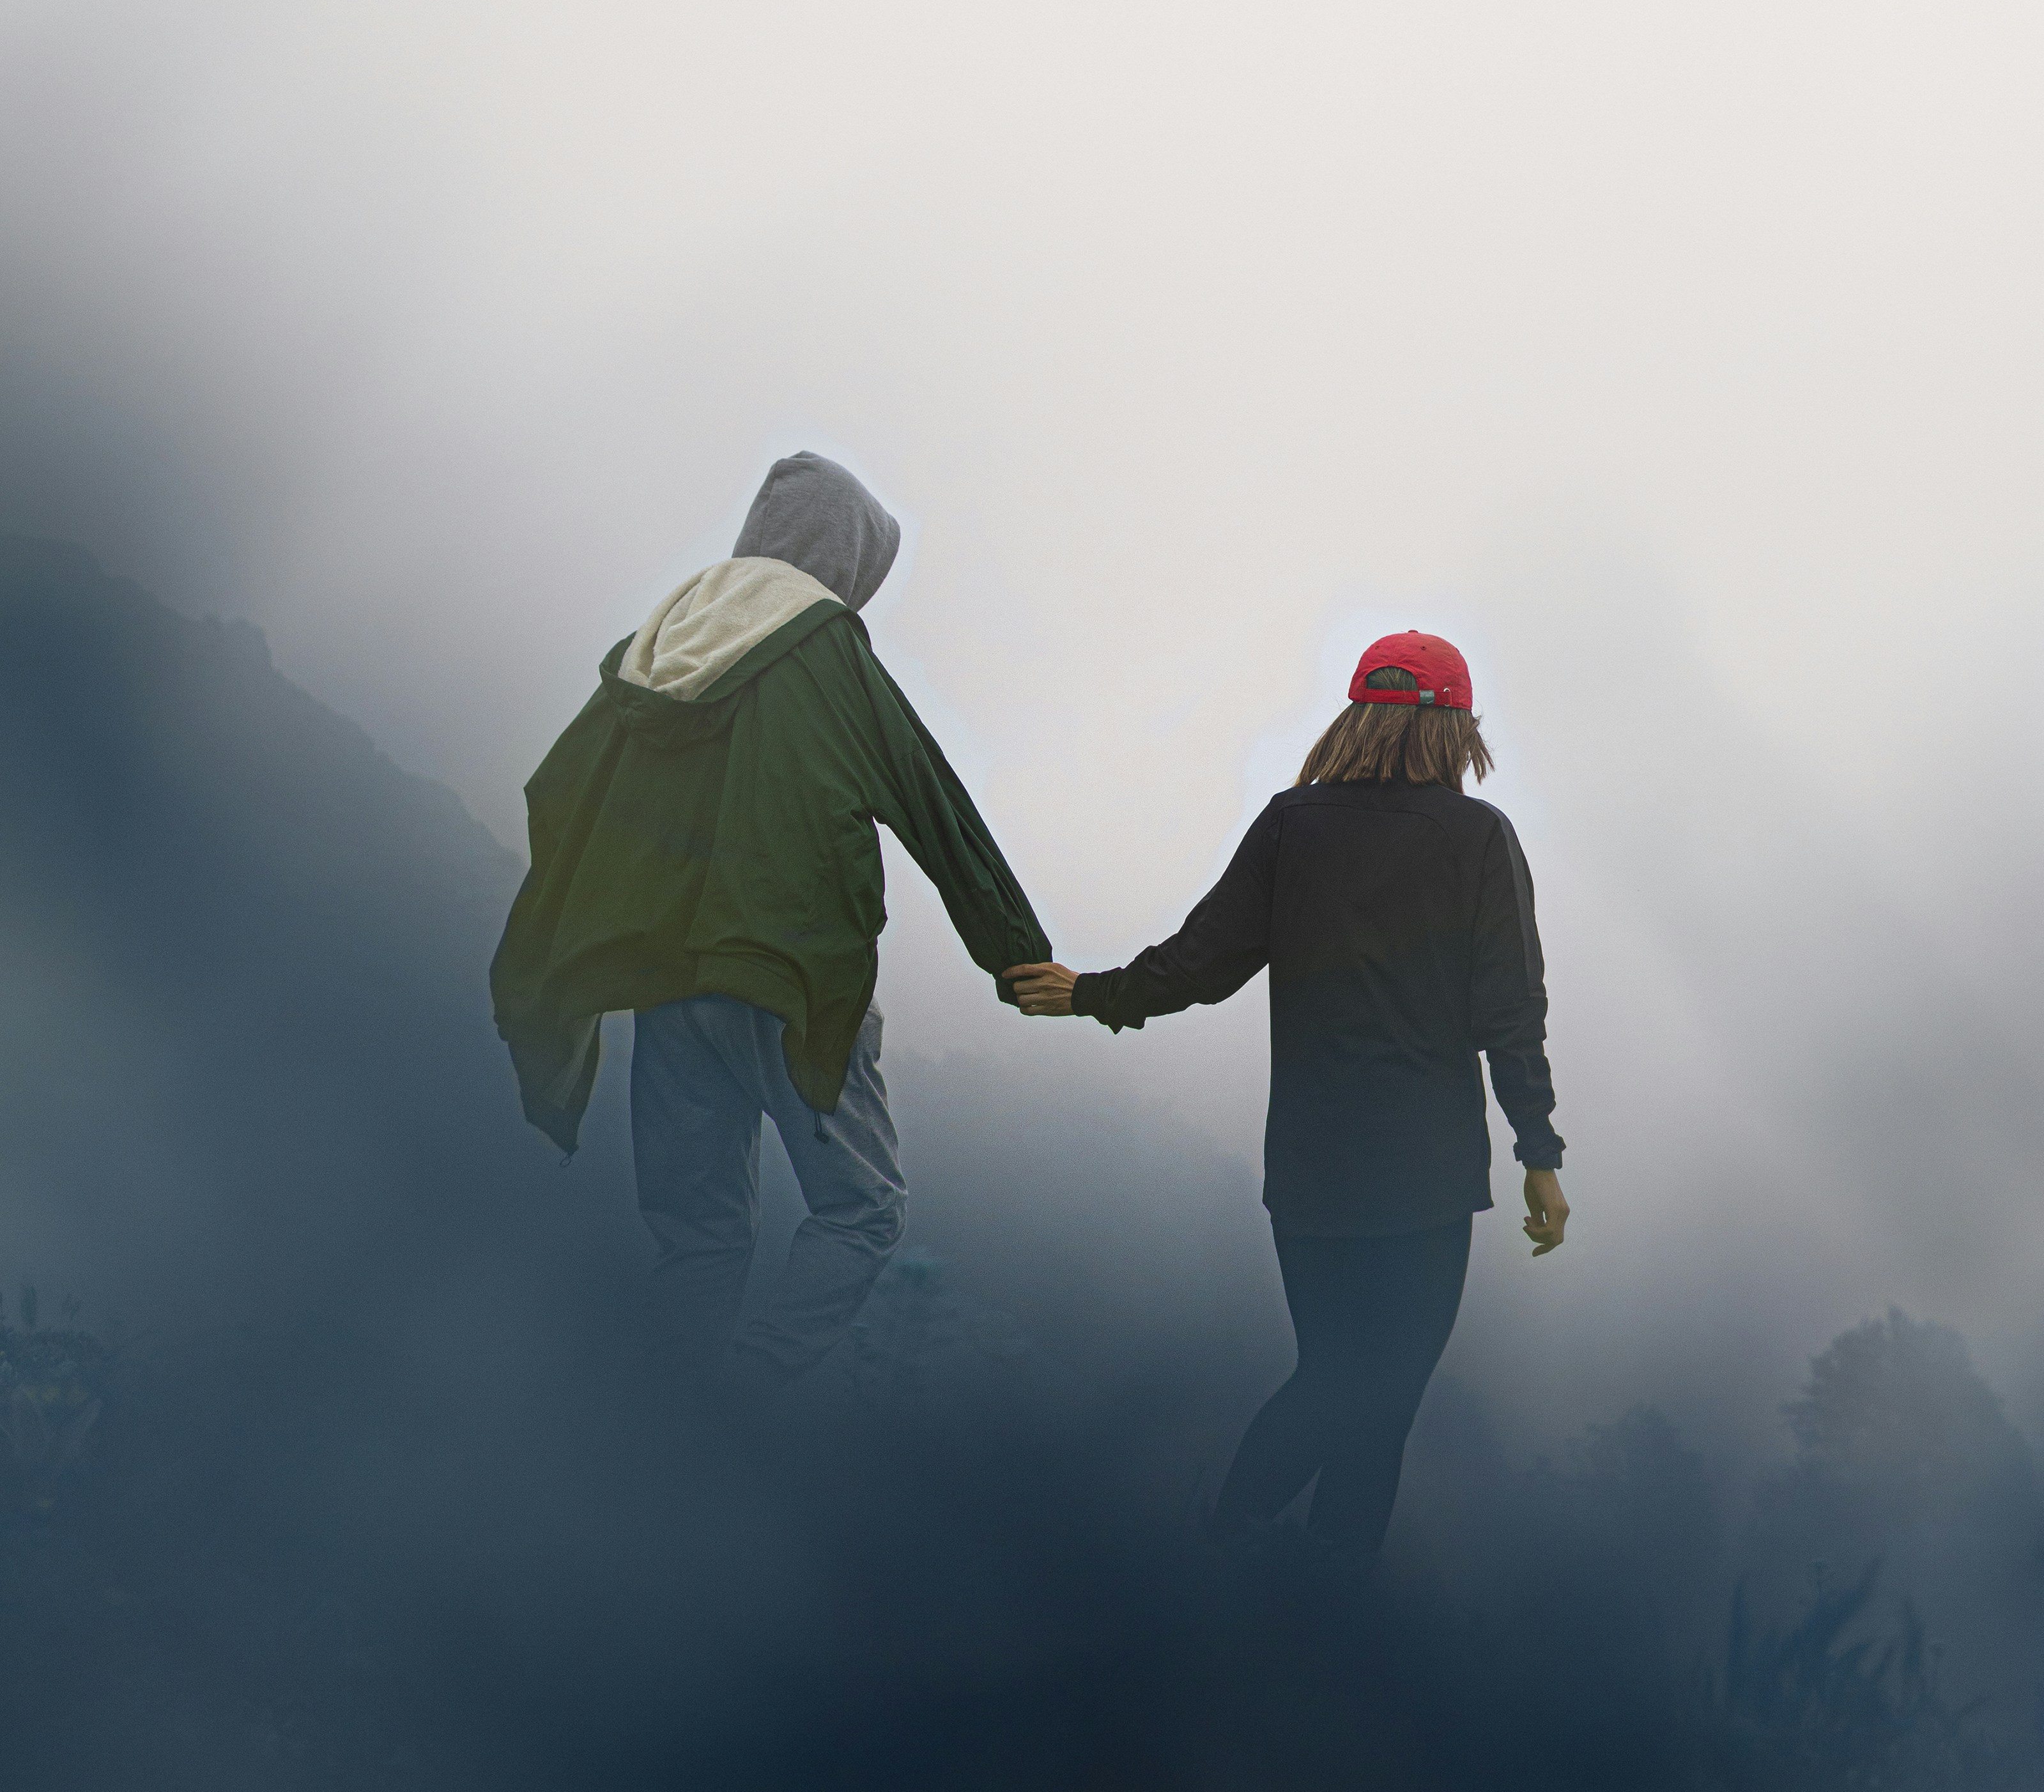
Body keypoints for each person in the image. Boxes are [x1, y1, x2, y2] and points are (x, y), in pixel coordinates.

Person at [1005, 631, 1567, 1563]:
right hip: (1424, 1176)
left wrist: (1093, 993)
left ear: (1360, 715)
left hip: (1309, 1168)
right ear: (1454, 727)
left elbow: (1201, 962)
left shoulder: (1290, 826)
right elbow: (1510, 1010)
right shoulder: (1478, 840)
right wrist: (1538, 1155)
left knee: (1335, 1375)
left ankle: (1233, 1563)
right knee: (1380, 1397)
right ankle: (1276, 1571)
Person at [491, 451, 1051, 1385]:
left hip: (664, 985)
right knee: (862, 1210)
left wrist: (559, 943)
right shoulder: (827, 649)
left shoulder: (656, 649)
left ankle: (675, 1430)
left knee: (698, 1237)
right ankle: (754, 1392)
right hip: (792, 981)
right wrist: (1018, 957)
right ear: (847, 563)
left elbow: (562, 791)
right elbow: (930, 798)